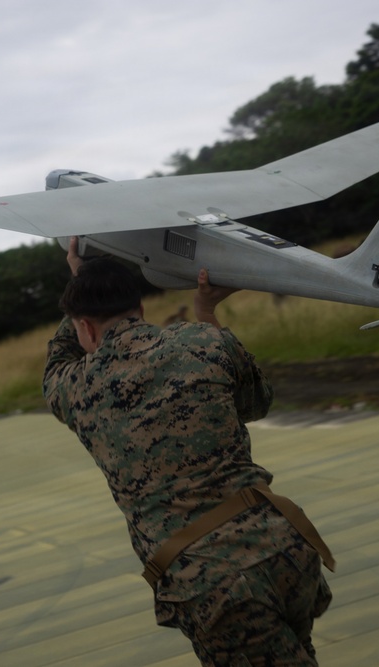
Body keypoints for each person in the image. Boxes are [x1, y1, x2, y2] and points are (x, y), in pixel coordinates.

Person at [43, 238, 333, 666]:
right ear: (140, 309)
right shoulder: (202, 342)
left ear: (83, 327)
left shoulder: (77, 389)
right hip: (285, 549)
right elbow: (257, 403)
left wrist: (80, 275)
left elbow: (55, 363)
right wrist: (206, 315)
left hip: (215, 584)